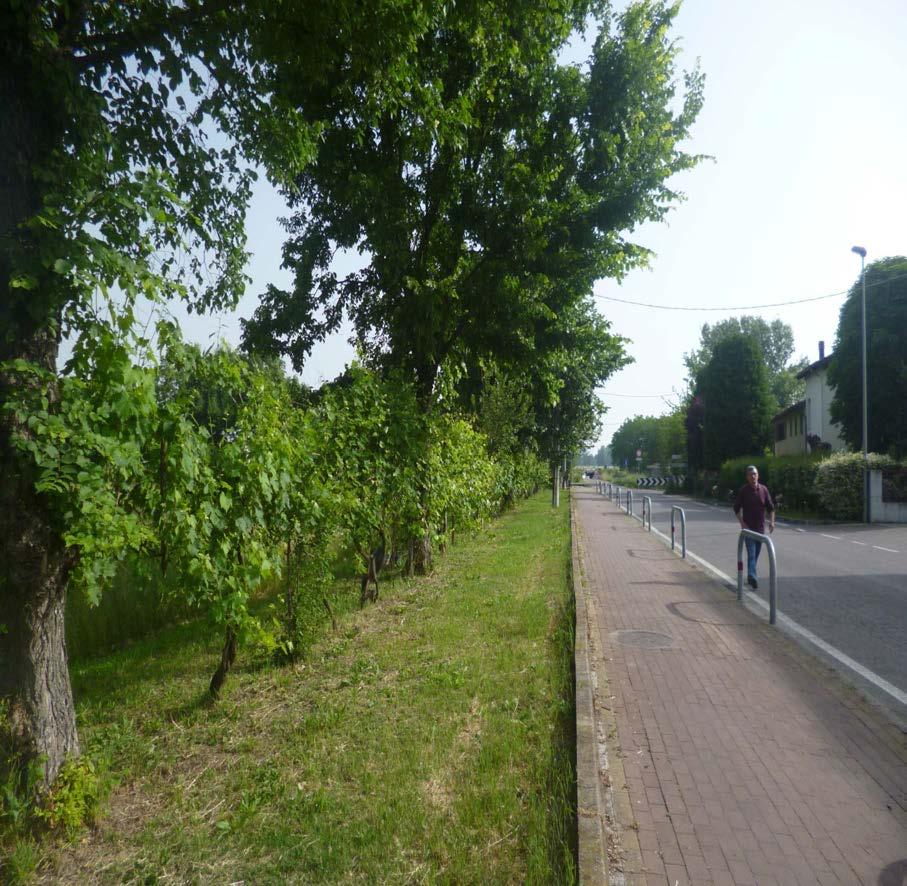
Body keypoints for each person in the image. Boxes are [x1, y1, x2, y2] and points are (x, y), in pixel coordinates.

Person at [733, 465, 775, 589]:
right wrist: (742, 522)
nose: (753, 476)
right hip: (748, 530)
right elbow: (736, 508)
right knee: (751, 554)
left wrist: (772, 522)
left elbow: (771, 508)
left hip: (760, 529)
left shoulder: (764, 490)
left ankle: (751, 575)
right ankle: (752, 577)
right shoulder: (744, 491)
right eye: (750, 474)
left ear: (758, 476)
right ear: (747, 477)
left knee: (755, 555)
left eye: (755, 474)